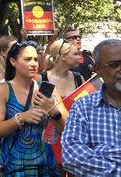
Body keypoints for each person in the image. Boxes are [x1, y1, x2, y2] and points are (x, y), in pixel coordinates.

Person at [0, 41, 65, 176]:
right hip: (13, 165)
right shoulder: (4, 90)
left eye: (35, 59)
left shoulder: (48, 90)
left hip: (45, 164)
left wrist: (54, 112)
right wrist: (20, 118)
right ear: (13, 61)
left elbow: (68, 130)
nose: (33, 63)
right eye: (27, 59)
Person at [62, 39, 121, 176]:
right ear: (98, 70)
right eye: (115, 65)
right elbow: (72, 158)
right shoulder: (83, 107)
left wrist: (100, 150)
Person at [39, 39, 83, 176]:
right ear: (63, 56)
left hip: (74, 141)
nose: (79, 57)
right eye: (76, 54)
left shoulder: (78, 78)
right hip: (49, 141)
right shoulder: (42, 79)